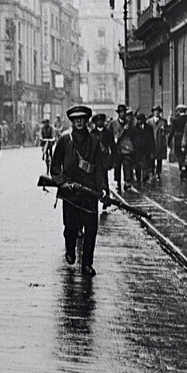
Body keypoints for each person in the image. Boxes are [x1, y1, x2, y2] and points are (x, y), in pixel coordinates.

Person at [50, 105, 107, 277]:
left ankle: (87, 263)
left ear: (87, 120)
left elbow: (100, 167)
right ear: (72, 122)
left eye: (82, 119)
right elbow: (55, 166)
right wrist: (62, 183)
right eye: (76, 119)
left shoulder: (95, 141)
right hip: (70, 192)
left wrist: (103, 189)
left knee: (91, 229)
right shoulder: (65, 140)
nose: (79, 122)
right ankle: (70, 249)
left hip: (89, 192)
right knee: (70, 227)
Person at [108, 104, 135, 191]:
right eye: (121, 112)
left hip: (127, 148)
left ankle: (127, 181)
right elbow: (108, 133)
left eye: (124, 112)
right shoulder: (113, 124)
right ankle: (118, 182)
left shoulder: (129, 123)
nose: (122, 114)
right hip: (117, 148)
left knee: (127, 165)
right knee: (117, 166)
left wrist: (128, 129)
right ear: (118, 113)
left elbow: (134, 134)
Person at [90, 113, 116, 198]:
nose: (100, 122)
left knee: (105, 178)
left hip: (104, 159)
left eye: (101, 120)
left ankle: (106, 197)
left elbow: (113, 147)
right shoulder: (92, 133)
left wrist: (113, 160)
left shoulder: (109, 133)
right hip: (95, 159)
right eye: (98, 121)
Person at [131, 113, 155, 184]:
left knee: (145, 164)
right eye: (138, 119)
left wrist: (152, 150)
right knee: (137, 164)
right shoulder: (134, 128)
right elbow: (131, 138)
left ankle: (145, 178)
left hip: (146, 149)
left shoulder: (149, 128)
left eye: (140, 119)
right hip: (137, 149)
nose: (139, 121)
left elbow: (152, 139)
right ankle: (138, 178)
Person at [168, 104, 187, 180]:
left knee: (179, 154)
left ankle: (182, 167)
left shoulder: (175, 120)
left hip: (178, 140)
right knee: (185, 155)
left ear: (179, 111)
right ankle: (185, 170)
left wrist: (169, 141)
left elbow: (172, 131)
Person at [146, 105, 168, 181]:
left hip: (160, 142)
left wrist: (164, 129)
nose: (157, 112)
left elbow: (167, 131)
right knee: (151, 158)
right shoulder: (149, 121)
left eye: (158, 111)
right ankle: (152, 172)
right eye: (155, 111)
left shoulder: (163, 121)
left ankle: (158, 173)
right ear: (153, 112)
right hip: (151, 142)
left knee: (159, 158)